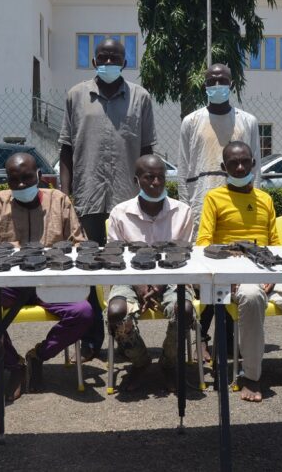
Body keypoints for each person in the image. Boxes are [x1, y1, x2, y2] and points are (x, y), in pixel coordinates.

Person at [196, 141, 282, 402]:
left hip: (268, 272)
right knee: (251, 296)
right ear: (223, 167)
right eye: (233, 163)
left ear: (254, 164)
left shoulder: (264, 199)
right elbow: (204, 244)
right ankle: (251, 376)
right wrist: (228, 276)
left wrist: (271, 276)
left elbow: (276, 246)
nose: (240, 167)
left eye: (245, 162)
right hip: (234, 278)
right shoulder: (214, 198)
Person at [58, 37, 156, 361]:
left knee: (126, 267)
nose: (108, 61)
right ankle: (90, 340)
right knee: (87, 270)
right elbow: (66, 151)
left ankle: (124, 334)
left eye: (115, 57)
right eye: (103, 56)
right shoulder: (75, 96)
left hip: (128, 201)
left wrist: (148, 194)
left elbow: (146, 153)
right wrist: (65, 196)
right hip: (86, 197)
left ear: (124, 62)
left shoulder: (140, 98)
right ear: (94, 60)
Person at [0, 153, 93, 402]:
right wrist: (8, 252)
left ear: (39, 176)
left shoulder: (59, 201)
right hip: (8, 284)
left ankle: (39, 355)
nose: (22, 185)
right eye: (15, 180)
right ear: (8, 181)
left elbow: (81, 244)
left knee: (83, 313)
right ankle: (13, 364)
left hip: (51, 283)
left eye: (27, 178)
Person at [178, 63, 261, 363]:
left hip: (240, 201)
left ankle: (227, 338)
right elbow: (184, 166)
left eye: (222, 80)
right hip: (202, 200)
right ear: (205, 85)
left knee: (235, 268)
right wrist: (186, 208)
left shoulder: (248, 121)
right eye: (211, 81)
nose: (217, 84)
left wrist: (255, 197)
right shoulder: (191, 120)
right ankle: (201, 335)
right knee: (208, 270)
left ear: (231, 82)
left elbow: (257, 166)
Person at [106, 155, 194, 391]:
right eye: (149, 177)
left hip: (174, 278)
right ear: (137, 180)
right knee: (116, 312)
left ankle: (168, 363)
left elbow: (184, 257)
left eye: (161, 177)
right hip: (129, 278)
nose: (156, 182)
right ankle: (141, 361)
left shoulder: (183, 212)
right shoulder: (119, 213)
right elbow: (118, 258)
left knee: (184, 310)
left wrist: (161, 284)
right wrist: (139, 284)